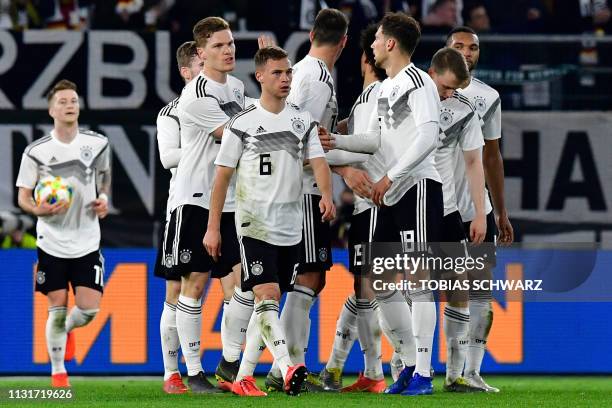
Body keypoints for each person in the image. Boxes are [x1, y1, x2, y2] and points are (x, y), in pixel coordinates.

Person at [321, 12, 443, 396]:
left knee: (419, 281)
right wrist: (335, 143)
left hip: (418, 188)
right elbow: (373, 141)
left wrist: (391, 176)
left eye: (377, 39)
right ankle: (409, 363)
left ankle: (423, 371)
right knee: (380, 280)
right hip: (390, 193)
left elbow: (428, 138)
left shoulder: (419, 81)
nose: (372, 45)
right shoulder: (387, 88)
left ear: (391, 43)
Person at [203, 46, 335, 397]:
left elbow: (319, 161)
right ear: (259, 76)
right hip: (254, 223)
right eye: (277, 73)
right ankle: (288, 366)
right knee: (268, 294)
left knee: (259, 298)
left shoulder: (301, 120)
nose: (286, 78)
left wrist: (326, 194)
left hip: (291, 226)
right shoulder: (242, 123)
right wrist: (213, 226)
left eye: (289, 72)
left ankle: (243, 374)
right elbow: (221, 177)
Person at [265, 7, 348, 392]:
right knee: (309, 275)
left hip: (297, 188)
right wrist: (344, 172)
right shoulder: (315, 78)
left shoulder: (306, 73)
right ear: (344, 42)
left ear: (312, 32)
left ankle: (284, 364)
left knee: (306, 277)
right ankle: (289, 365)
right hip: (304, 190)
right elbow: (303, 141)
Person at [165, 16, 245, 393]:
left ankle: (229, 362)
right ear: (201, 53)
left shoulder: (240, 87)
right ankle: (193, 371)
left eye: (229, 43)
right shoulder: (195, 96)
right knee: (193, 285)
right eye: (218, 45)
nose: (227, 50)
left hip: (232, 201)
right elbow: (235, 137)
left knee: (244, 283)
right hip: (195, 198)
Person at [16, 79, 111, 388]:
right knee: (56, 308)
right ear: (51, 109)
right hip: (51, 241)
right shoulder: (37, 152)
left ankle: (69, 330)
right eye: (63, 101)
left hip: (87, 239)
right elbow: (23, 196)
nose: (70, 105)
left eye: (73, 100)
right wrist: (36, 209)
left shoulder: (98, 144)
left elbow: (105, 180)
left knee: (88, 311)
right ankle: (58, 372)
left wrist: (104, 200)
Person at [318, 23, 389, 393]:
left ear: (364, 59)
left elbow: (372, 145)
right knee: (364, 289)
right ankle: (335, 368)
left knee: (370, 289)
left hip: (374, 205)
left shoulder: (377, 94)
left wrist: (332, 155)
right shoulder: (369, 99)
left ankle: (376, 373)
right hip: (369, 206)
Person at [447, 25, 514, 392]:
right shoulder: (423, 90)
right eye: (458, 46)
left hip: (476, 206)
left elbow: (492, 156)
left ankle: (468, 371)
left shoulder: (488, 97)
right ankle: (410, 364)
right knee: (418, 288)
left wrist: (500, 212)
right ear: (446, 50)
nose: (466, 53)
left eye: (472, 48)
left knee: (479, 287)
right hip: (433, 204)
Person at [427, 46, 487, 392]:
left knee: (458, 284)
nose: (450, 94)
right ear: (432, 72)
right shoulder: (407, 96)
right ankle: (408, 366)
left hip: (447, 208)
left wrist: (478, 212)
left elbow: (474, 162)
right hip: (408, 205)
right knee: (411, 288)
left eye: (455, 89)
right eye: (446, 86)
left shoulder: (463, 110)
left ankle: (455, 373)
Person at [153, 40, 203, 395]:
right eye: (203, 61)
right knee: (178, 289)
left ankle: (232, 368)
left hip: (229, 206)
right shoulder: (172, 112)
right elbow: (168, 157)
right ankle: (174, 372)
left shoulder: (229, 106)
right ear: (187, 72)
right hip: (185, 207)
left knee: (237, 287)